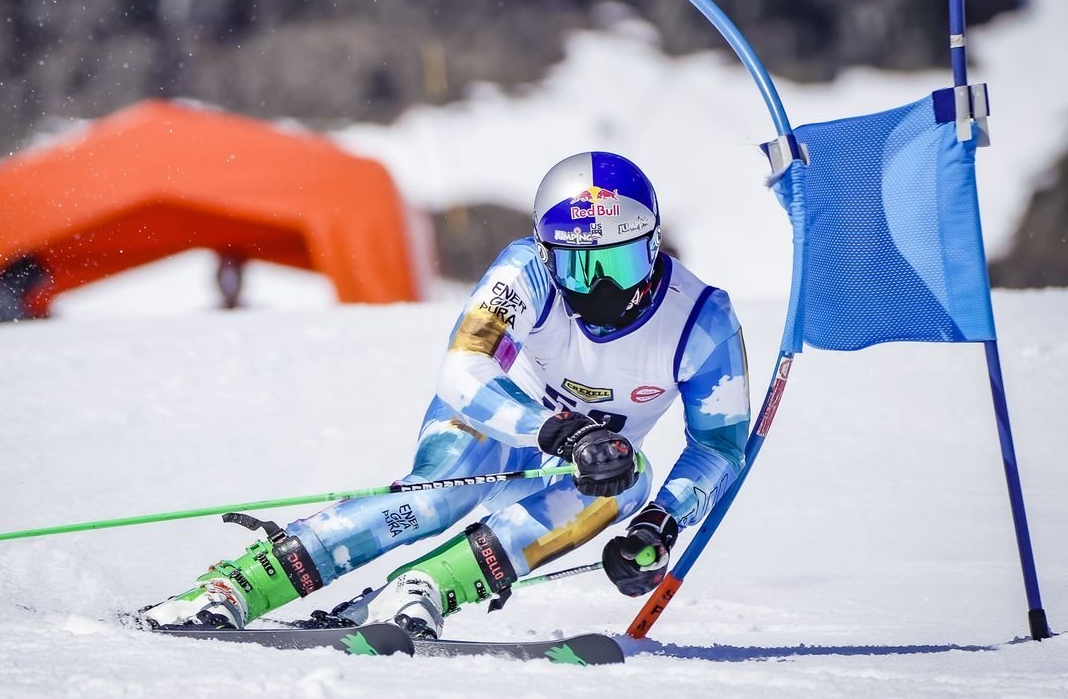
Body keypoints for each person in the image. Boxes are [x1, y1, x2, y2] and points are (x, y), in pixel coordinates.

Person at [140, 152, 750, 636]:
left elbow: (719, 444)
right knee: (434, 502)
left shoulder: (701, 320)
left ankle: (422, 587)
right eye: (576, 266)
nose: (598, 289)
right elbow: (464, 369)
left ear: (653, 246)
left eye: (618, 263)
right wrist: (559, 431)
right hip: (500, 422)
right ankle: (241, 585)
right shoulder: (524, 274)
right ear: (546, 254)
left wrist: (661, 528)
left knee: (630, 479)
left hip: (589, 462)